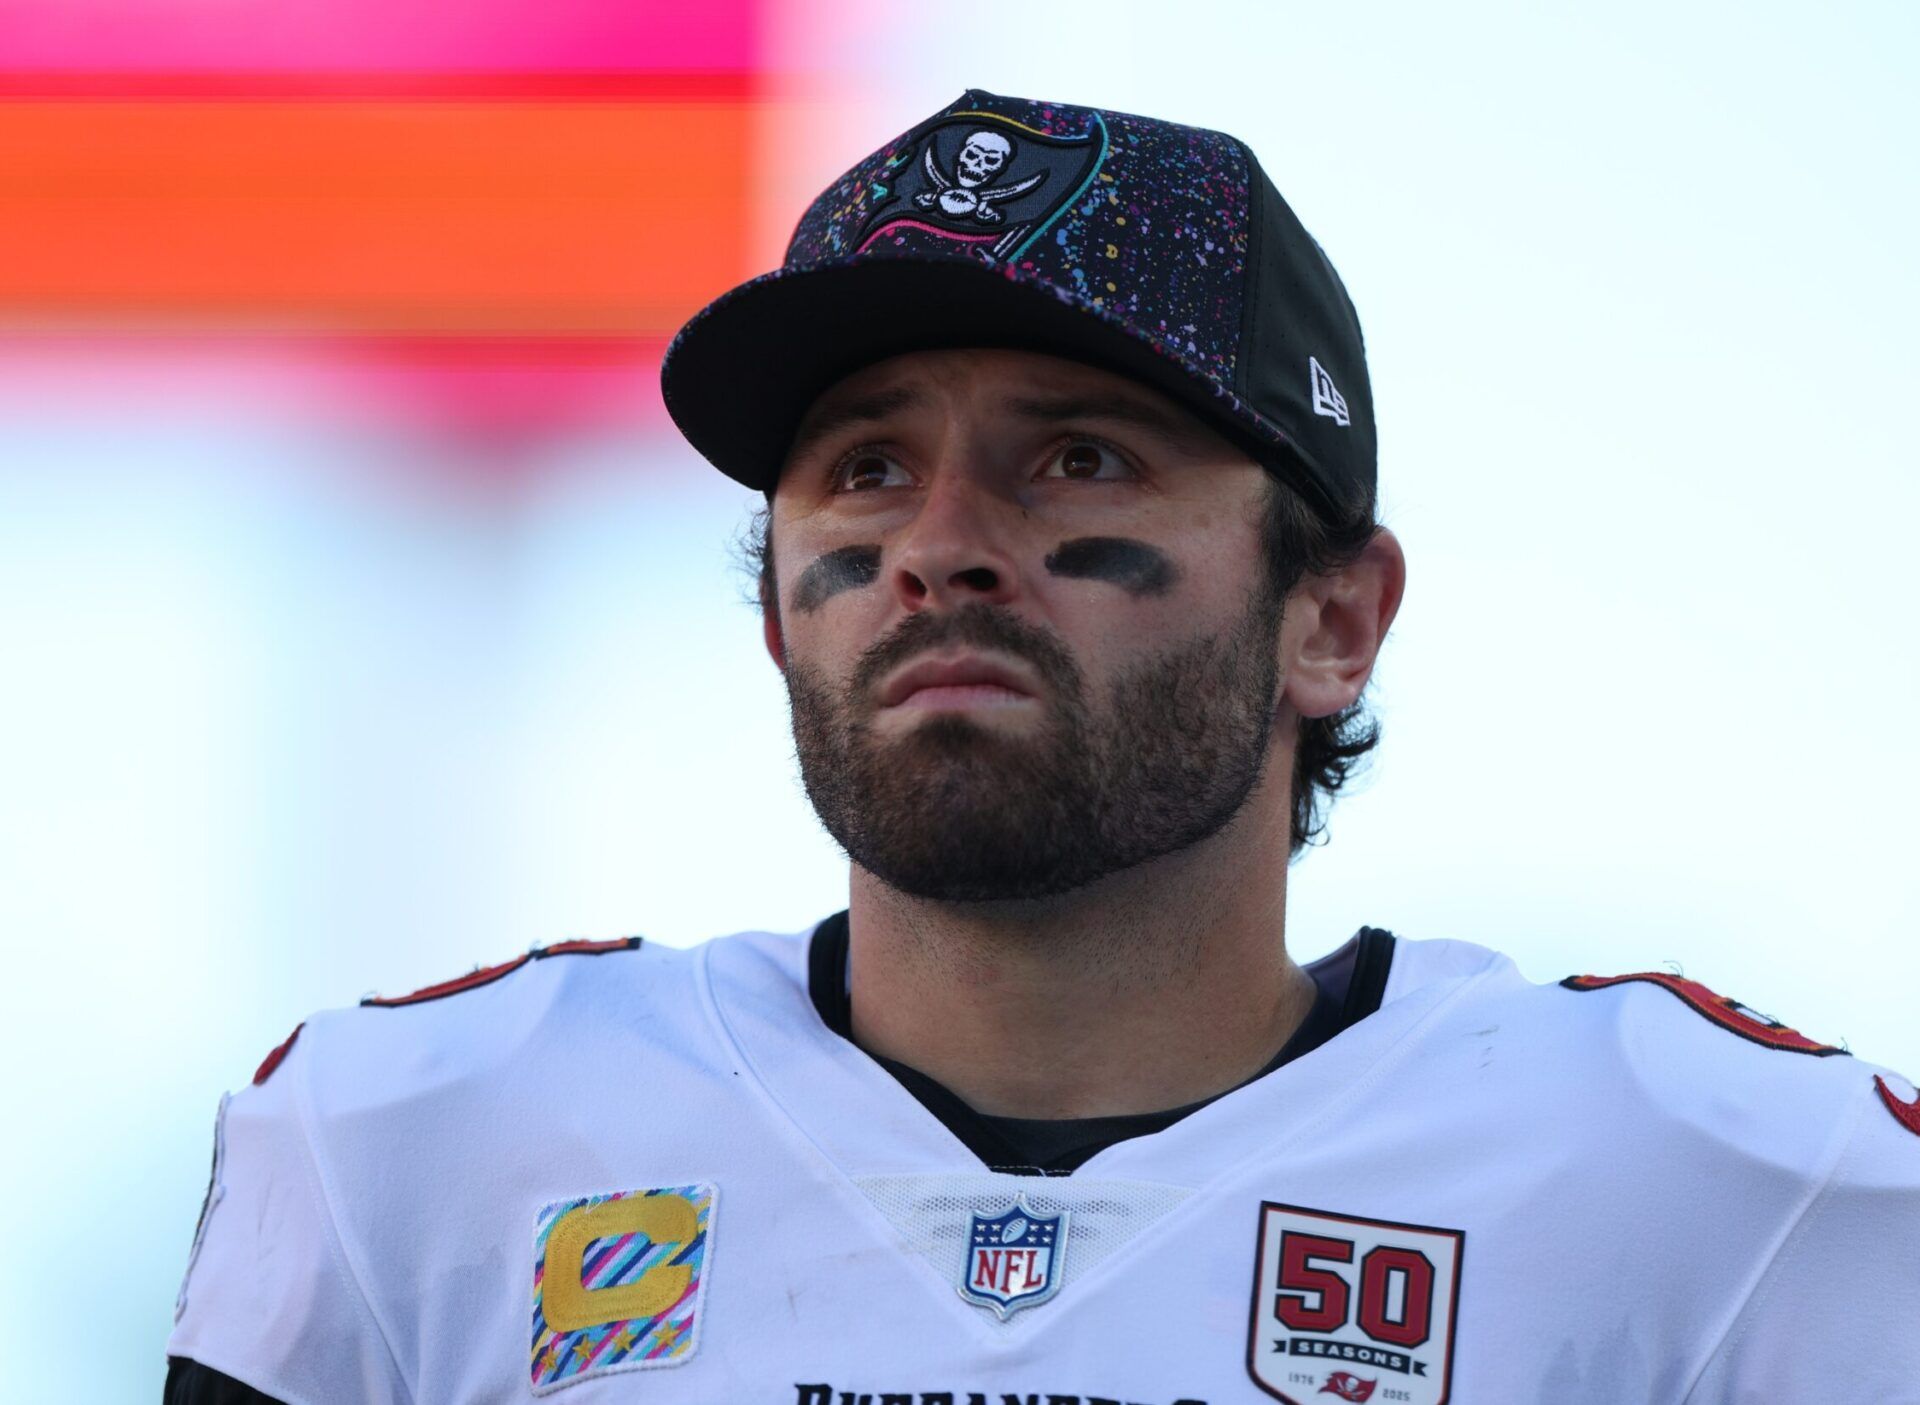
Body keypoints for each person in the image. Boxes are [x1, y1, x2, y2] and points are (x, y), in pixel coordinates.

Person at [166, 90, 1919, 1405]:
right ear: (778, 606)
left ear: (1334, 621)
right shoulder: (411, 1150)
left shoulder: (1731, 1187)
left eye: (1077, 456)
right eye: (862, 467)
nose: (939, 540)